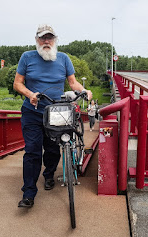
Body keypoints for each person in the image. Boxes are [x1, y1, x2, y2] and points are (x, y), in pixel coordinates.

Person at [13, 24, 92, 208]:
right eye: (42, 38)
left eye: (50, 37)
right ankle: (29, 193)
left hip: (56, 112)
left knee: (53, 149)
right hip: (32, 112)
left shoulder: (63, 58)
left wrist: (85, 90)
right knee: (32, 151)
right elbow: (17, 83)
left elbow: (72, 83)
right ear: (37, 40)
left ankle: (48, 175)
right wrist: (30, 94)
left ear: (55, 40)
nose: (46, 41)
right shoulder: (27, 57)